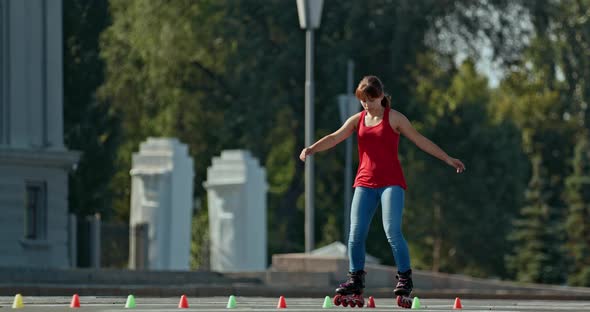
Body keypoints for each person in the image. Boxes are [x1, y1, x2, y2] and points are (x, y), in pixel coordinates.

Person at [299, 75, 465, 306]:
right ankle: (355, 279)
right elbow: (335, 137)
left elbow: (420, 140)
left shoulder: (394, 118)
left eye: (370, 99)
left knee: (392, 231)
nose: (366, 104)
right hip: (364, 183)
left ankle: (404, 279)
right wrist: (311, 149)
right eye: (362, 100)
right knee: (355, 235)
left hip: (391, 183)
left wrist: (448, 159)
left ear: (381, 96)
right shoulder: (357, 120)